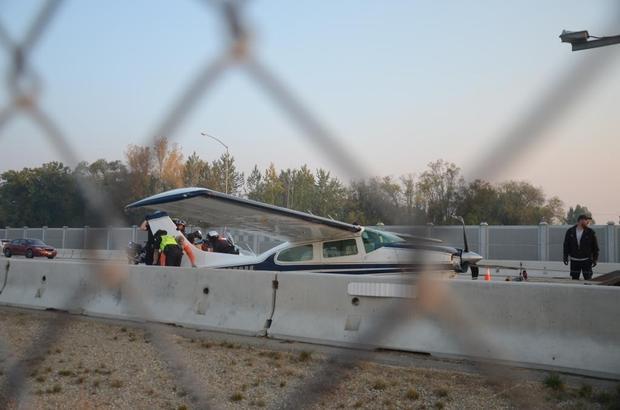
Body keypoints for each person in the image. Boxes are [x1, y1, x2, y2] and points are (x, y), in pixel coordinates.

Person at [563, 215, 599, 280]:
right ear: (581, 221)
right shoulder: (570, 231)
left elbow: (595, 247)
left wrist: (595, 259)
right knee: (574, 279)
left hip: (587, 261)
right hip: (574, 260)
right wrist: (565, 257)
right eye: (586, 220)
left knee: (588, 279)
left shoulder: (590, 232)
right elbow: (566, 245)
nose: (587, 222)